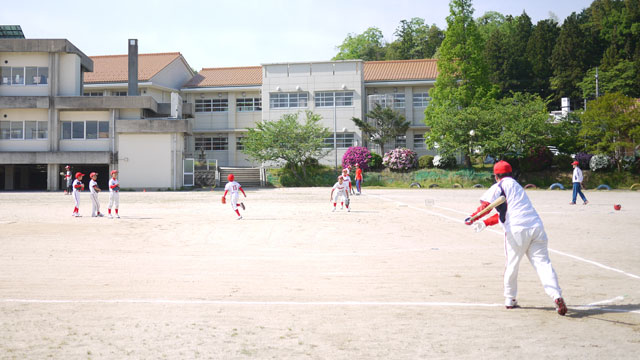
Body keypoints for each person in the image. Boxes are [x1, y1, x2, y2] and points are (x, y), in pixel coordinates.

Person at [465, 160, 567, 316]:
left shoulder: (499, 186)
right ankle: (556, 296)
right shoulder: (518, 188)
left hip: (517, 231)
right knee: (544, 265)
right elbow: (503, 213)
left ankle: (510, 299)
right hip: (536, 228)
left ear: (496, 176)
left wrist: (472, 217)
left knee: (512, 264)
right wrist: (485, 222)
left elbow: (486, 206)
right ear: (511, 173)